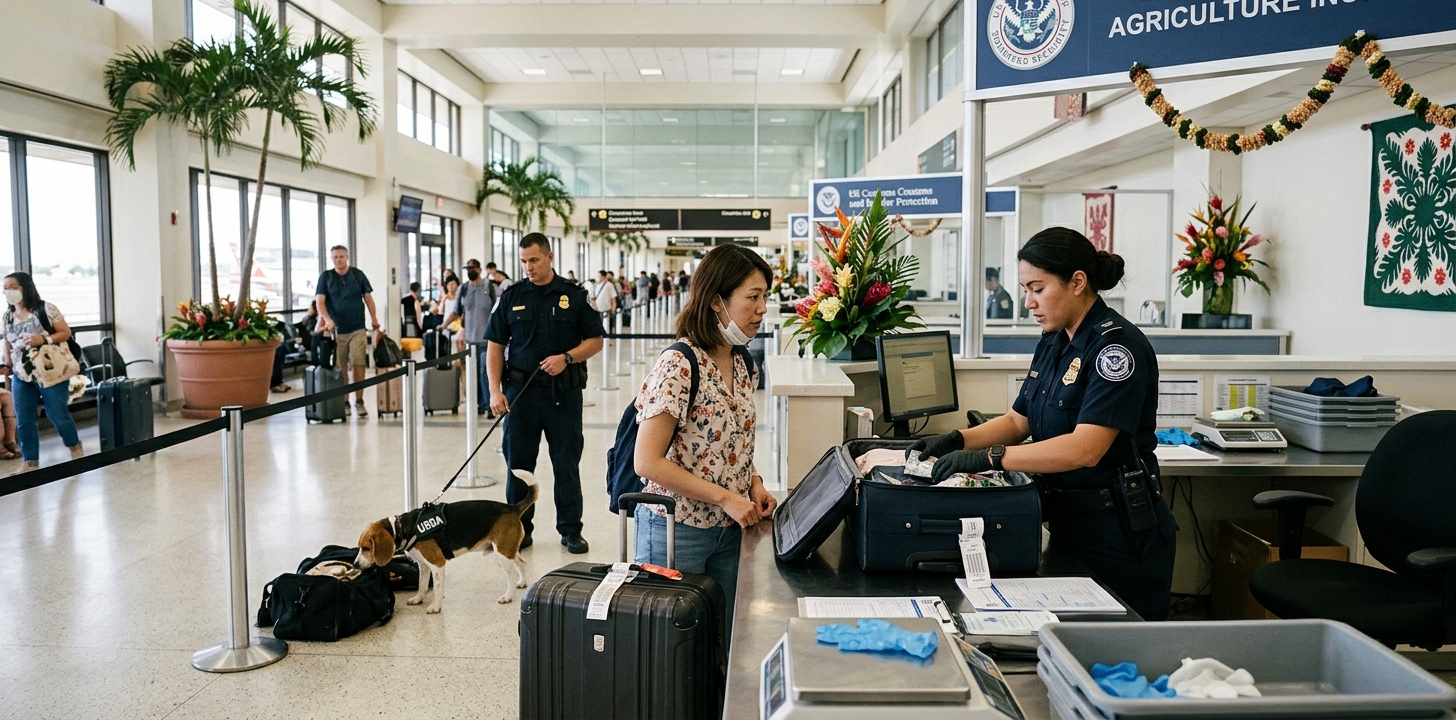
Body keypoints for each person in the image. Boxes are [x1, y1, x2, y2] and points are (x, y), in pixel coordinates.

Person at [909, 227, 1177, 620]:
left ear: (1078, 282)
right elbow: (1019, 421)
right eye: (1024, 290)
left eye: (1037, 288)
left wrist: (992, 458)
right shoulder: (1054, 340)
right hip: (1067, 526)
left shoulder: (1115, 349)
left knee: (1122, 658)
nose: (1028, 303)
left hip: (1117, 535)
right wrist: (956, 440)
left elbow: (1086, 449)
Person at [632, 244, 776, 627]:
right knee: (670, 648)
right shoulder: (679, 364)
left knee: (723, 638)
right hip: (676, 532)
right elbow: (646, 462)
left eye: (765, 297)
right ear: (716, 301)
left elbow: (731, 442)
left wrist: (754, 482)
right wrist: (726, 497)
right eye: (753, 297)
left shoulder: (743, 361)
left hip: (729, 531)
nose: (762, 308)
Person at [486, 233, 604, 554]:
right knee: (519, 466)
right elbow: (495, 346)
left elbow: (596, 340)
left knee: (566, 464)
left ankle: (570, 530)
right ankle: (519, 530)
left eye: (534, 260)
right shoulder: (511, 296)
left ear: (550, 257)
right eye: (524, 261)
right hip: (521, 395)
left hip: (562, 397)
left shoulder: (573, 296)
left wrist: (566, 357)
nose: (528, 267)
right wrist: (495, 391)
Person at [0, 272, 82, 473]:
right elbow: (8, 342)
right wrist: (7, 364)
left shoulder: (45, 309)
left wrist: (43, 340)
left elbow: (65, 332)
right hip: (22, 374)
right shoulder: (7, 316)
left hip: (50, 371)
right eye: (5, 288)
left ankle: (75, 448)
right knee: (24, 418)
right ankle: (30, 462)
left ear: (25, 288)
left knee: (57, 413)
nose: (7, 291)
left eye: (13, 287)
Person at [315, 245, 381, 419]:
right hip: (337, 331)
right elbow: (320, 302)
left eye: (341, 256)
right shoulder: (326, 277)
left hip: (357, 328)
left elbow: (368, 298)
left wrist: (374, 318)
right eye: (335, 257)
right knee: (341, 366)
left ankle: (359, 401)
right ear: (332, 259)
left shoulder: (358, 275)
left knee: (359, 363)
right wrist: (328, 320)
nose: (339, 260)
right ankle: (344, 401)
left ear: (347, 257)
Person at [441, 259, 500, 414]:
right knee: (473, 374)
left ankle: (488, 405)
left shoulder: (489, 287)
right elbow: (456, 312)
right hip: (470, 341)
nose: (469, 271)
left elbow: (497, 312)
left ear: (479, 270)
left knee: (484, 373)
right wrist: (444, 325)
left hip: (487, 340)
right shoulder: (464, 289)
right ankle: (479, 404)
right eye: (467, 269)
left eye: (472, 268)